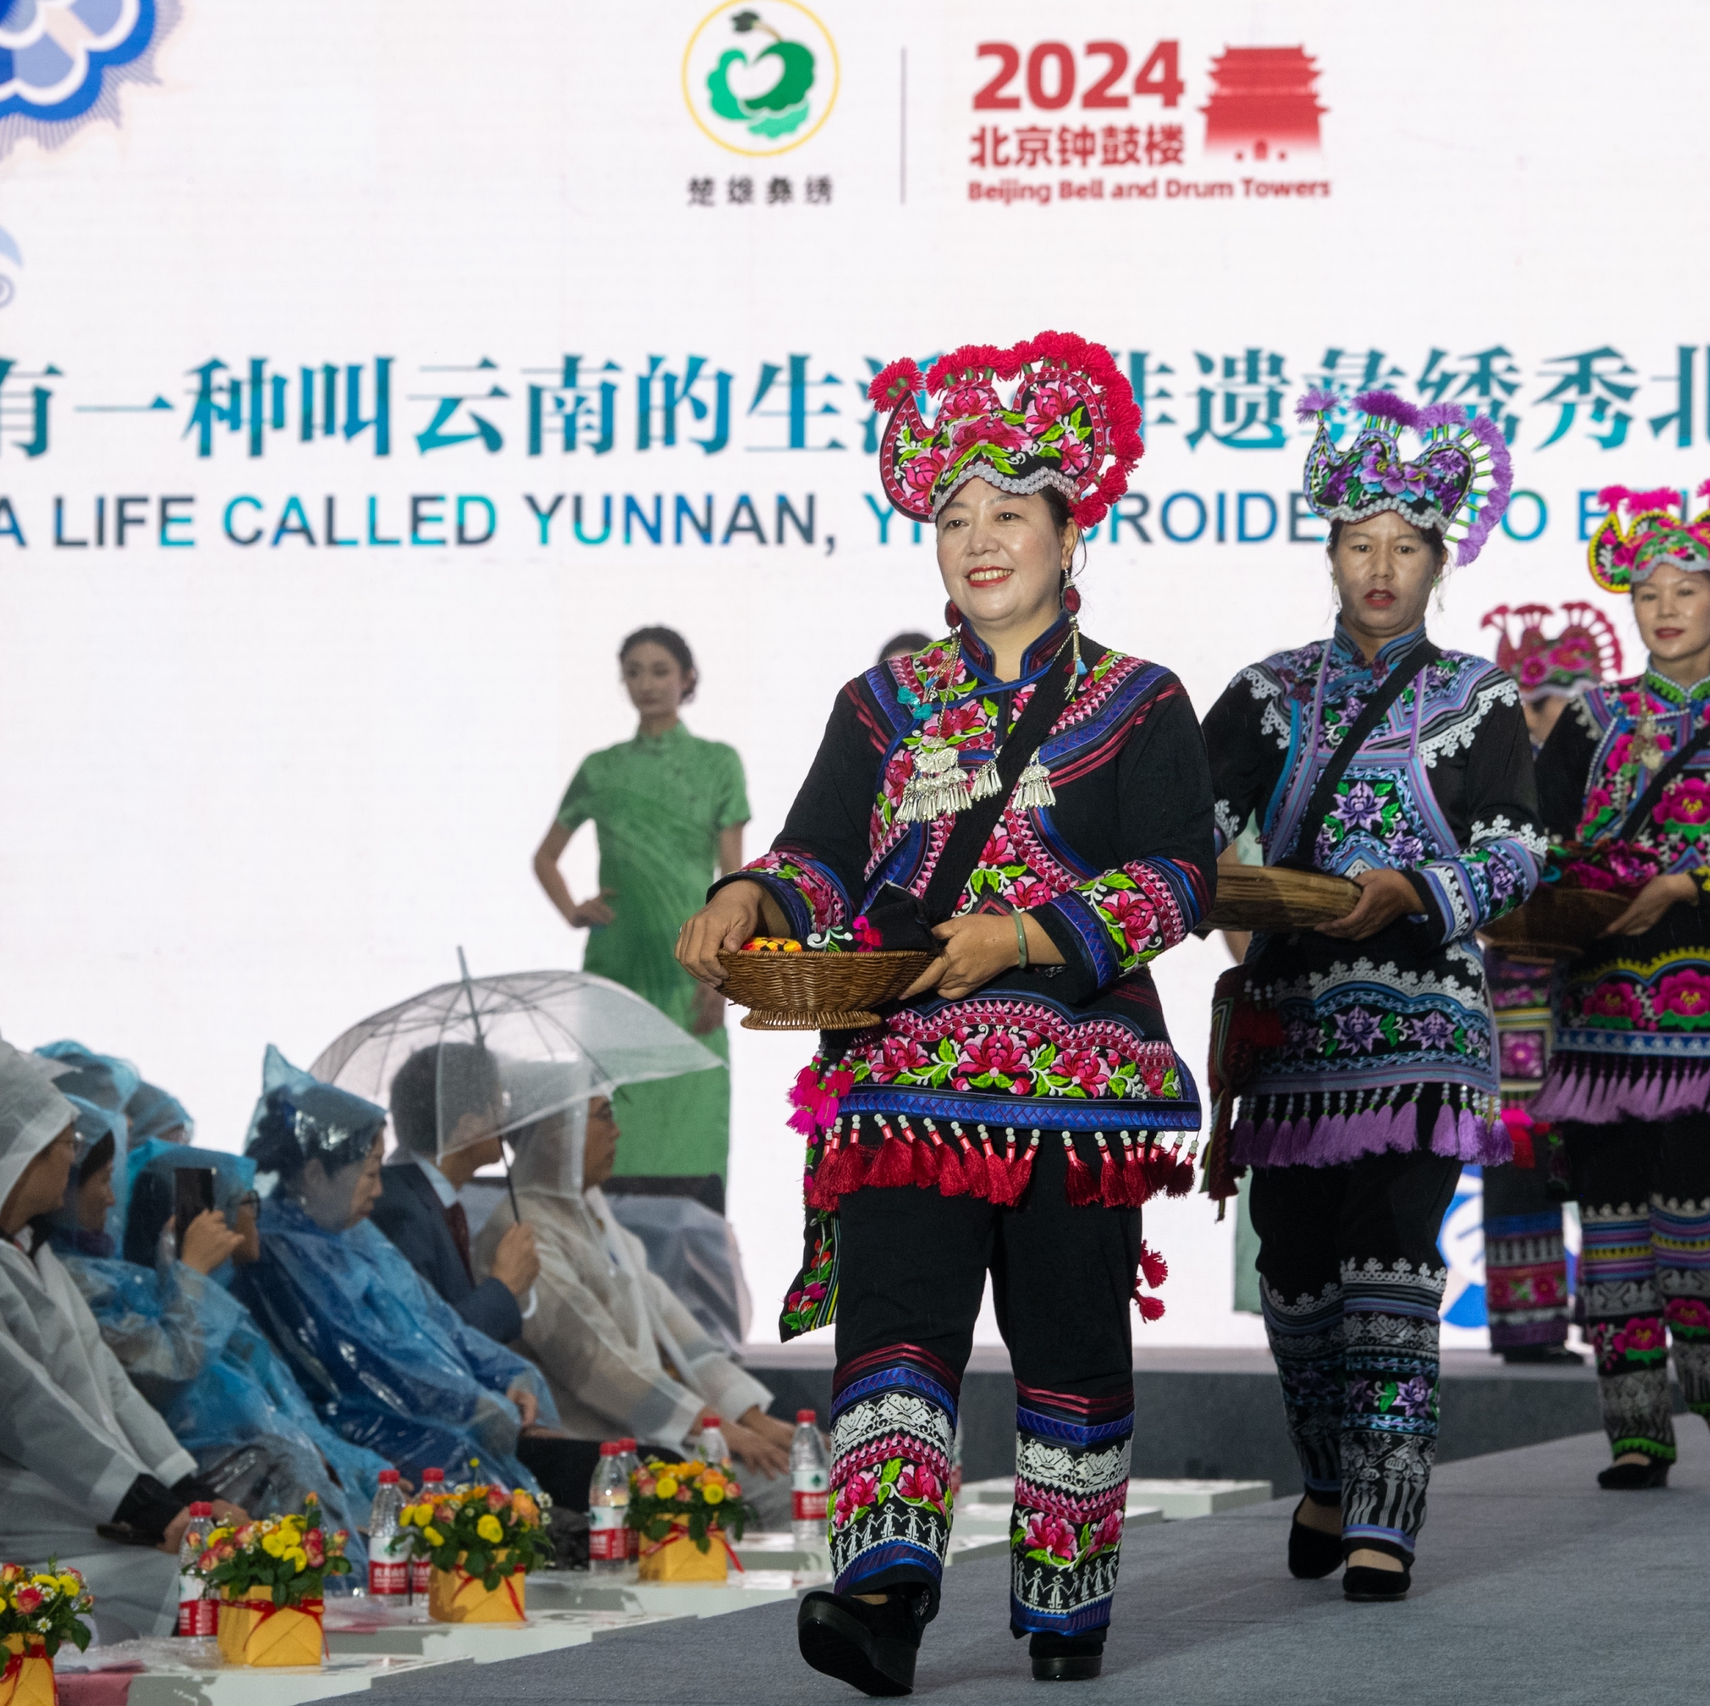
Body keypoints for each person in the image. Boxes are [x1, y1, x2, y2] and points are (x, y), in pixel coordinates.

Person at [677, 332, 1211, 1690]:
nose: (978, 543)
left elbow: (1177, 877)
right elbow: (817, 854)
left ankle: (1066, 1601)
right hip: (906, 1078)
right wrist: (752, 895)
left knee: (1071, 1341)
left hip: (1075, 1096)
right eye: (952, 519)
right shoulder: (884, 701)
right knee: (898, 1330)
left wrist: (1028, 933)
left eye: (1007, 515)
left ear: (1068, 527)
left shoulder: (1142, 700)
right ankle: (885, 1593)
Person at [1200, 388, 1541, 1602]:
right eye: (1358, 543)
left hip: (1425, 1024)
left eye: (1403, 546)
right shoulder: (1261, 692)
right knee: (1295, 1282)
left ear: (1438, 560)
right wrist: (1233, 885)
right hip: (1291, 1027)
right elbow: (1199, 839)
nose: (1379, 566)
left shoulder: (1480, 699)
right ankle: (1331, 1472)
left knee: (1392, 1267)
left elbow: (1514, 853)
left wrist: (1412, 886)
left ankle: (1384, 1517)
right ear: (1328, 551)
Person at [1533, 482, 1710, 1490]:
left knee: (1694, 1213)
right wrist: (1569, 884)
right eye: (1647, 589)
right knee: (1609, 1223)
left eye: (1685, 588)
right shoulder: (1587, 719)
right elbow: (1540, 843)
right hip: (1602, 1012)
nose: (1664, 605)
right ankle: (1634, 1427)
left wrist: (1691, 881)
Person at [0, 1028, 234, 1645]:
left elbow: (101, 1379)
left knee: (207, 1573)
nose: (76, 1164)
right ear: (16, 1154)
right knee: (185, 1584)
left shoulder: (14, 1245)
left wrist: (186, 1487)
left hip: (61, 1493)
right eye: (66, 1146)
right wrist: (149, 1507)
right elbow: (22, 1405)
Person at [227, 1048, 579, 1497]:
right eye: (370, 1173)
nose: (379, 1187)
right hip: (364, 1429)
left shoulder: (354, 1234)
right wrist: (475, 1404)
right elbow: (372, 1361)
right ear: (316, 1175)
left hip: (430, 1415)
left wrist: (505, 1374)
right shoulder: (285, 1253)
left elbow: (438, 1325)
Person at [477, 1081, 792, 1497]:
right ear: (557, 1133)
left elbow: (682, 1338)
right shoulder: (521, 1231)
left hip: (666, 1431)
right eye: (603, 1116)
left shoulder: (593, 1217)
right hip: (597, 1447)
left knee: (811, 1467)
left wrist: (756, 1421)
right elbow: (597, 1361)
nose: (618, 1131)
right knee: (793, 1488)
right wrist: (721, 1430)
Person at [75, 1141, 394, 1545]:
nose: (252, 1216)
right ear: (206, 1215)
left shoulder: (226, 1312)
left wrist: (365, 1474)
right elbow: (165, 1379)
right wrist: (190, 1275)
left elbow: (296, 1418)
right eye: (245, 1201)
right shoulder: (130, 1306)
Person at [534, 626, 750, 1205]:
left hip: (692, 969)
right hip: (616, 969)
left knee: (691, 1131)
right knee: (610, 1124)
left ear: (687, 679)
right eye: (634, 671)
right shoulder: (600, 769)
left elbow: (735, 882)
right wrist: (574, 908)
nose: (647, 683)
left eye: (660, 670)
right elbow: (545, 857)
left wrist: (728, 974)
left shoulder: (717, 763)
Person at [1474, 602, 1623, 1365]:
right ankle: (1527, 1324)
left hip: (1601, 986)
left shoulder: (1620, 768)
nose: (1556, 713)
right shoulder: (1495, 769)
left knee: (1604, 1150)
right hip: (1515, 988)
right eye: (1538, 700)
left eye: (1573, 696)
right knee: (1520, 1152)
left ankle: (1615, 1318)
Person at [369, 1041, 541, 1342]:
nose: (508, 1117)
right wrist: (504, 1285)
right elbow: (426, 1344)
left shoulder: (423, 1198)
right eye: (499, 1102)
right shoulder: (397, 1212)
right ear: (467, 1126)